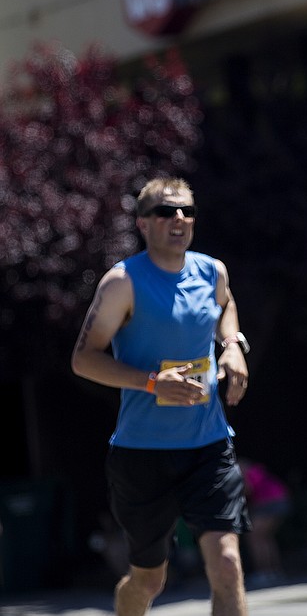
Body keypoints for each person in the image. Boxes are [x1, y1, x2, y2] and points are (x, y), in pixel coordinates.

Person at [71, 176, 252, 616]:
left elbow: (225, 306)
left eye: (187, 211)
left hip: (208, 445)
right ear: (143, 224)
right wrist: (153, 383)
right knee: (149, 578)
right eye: (165, 212)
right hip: (142, 454)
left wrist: (232, 347)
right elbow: (83, 359)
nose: (179, 219)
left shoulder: (212, 271)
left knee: (227, 564)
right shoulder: (123, 283)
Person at [240, 459, 290, 587]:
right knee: (266, 538)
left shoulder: (243, 469)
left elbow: (247, 490)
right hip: (280, 500)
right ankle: (274, 572)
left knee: (255, 538)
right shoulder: (256, 469)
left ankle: (264, 573)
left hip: (269, 503)